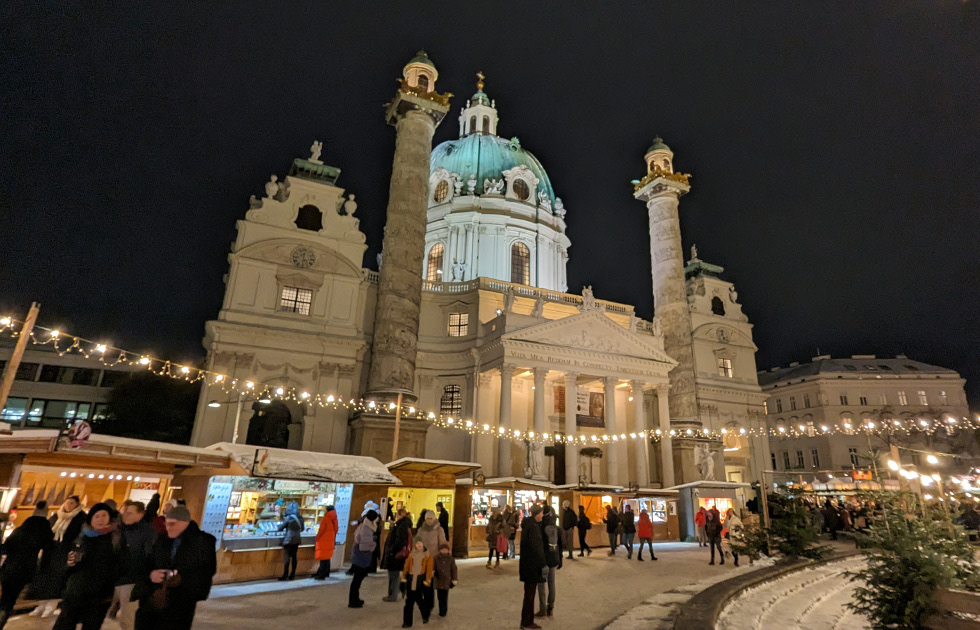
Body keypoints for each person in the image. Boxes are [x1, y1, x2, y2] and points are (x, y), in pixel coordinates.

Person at [132, 505, 217, 630]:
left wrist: (180, 579)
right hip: (153, 596)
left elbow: (207, 570)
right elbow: (148, 563)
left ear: (185, 523)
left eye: (173, 524)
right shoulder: (162, 538)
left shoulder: (203, 541)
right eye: (166, 523)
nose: (168, 527)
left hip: (180, 600)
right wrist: (152, 574)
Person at [52, 503, 121, 630]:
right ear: (91, 518)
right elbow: (70, 561)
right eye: (97, 516)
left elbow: (119, 562)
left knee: (91, 625)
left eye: (104, 515)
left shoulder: (116, 537)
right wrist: (70, 563)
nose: (100, 519)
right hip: (76, 590)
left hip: (101, 593)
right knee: (64, 624)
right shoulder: (82, 535)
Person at [29, 495, 86, 618]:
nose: (68, 505)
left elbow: (80, 537)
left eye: (71, 503)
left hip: (66, 551)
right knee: (45, 578)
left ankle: (51, 606)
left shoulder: (81, 518)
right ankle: (41, 604)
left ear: (77, 505)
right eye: (67, 503)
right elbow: (47, 530)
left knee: (58, 579)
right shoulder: (56, 515)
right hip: (51, 550)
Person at [0, 506, 53, 628]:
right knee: (10, 601)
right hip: (25, 570)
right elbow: (48, 551)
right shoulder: (44, 531)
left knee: (5, 598)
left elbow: (6, 548)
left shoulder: (20, 530)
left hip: (8, 568)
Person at [114, 501, 157, 630]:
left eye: (130, 513)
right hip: (114, 578)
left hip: (132, 580)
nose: (126, 515)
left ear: (141, 514)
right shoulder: (118, 529)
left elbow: (149, 556)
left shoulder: (147, 531)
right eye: (124, 512)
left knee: (128, 618)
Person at [519, 505, 546, 630]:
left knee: (529, 594)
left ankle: (527, 620)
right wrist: (542, 563)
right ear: (536, 514)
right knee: (530, 595)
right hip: (532, 566)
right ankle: (527, 622)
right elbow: (537, 549)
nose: (542, 516)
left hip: (527, 565)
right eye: (541, 513)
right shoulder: (533, 528)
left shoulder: (528, 525)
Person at [415, 510, 446, 612]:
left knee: (435, 583)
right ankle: (428, 604)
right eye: (427, 518)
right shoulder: (421, 529)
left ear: (434, 518)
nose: (429, 521)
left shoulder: (439, 530)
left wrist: (442, 557)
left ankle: (439, 606)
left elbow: (442, 544)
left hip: (435, 559)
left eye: (431, 518)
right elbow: (417, 542)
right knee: (426, 583)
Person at [400, 536, 433, 628]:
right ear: (414, 545)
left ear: (423, 544)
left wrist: (427, 580)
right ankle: (407, 622)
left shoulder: (428, 556)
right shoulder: (411, 555)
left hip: (420, 579)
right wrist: (403, 577)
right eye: (417, 543)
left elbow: (429, 569)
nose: (419, 545)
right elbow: (406, 566)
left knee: (419, 600)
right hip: (411, 579)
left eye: (420, 543)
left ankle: (425, 614)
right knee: (409, 602)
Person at [348, 510, 378, 608]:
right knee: (357, 580)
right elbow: (364, 547)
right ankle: (353, 601)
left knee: (357, 580)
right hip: (361, 557)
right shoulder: (366, 528)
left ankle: (355, 598)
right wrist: (374, 545)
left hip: (359, 556)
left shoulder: (364, 525)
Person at [381, 507, 413, 601]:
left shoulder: (402, 525)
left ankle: (393, 595)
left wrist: (392, 550)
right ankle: (394, 593)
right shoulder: (403, 525)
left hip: (395, 554)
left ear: (399, 515)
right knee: (394, 574)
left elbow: (399, 540)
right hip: (395, 553)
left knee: (394, 575)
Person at [536, 505, 562, 619]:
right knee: (552, 583)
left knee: (541, 584)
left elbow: (539, 545)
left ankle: (542, 609)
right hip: (553, 558)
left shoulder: (541, 527)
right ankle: (550, 607)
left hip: (543, 559)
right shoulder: (556, 528)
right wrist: (560, 559)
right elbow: (560, 545)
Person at [277, 502, 304, 581]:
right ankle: (292, 574)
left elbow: (280, 528)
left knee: (287, 557)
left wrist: (279, 525)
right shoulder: (300, 518)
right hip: (297, 539)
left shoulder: (288, 518)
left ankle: (285, 575)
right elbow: (302, 529)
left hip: (288, 539)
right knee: (294, 557)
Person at [432, 541, 457, 618]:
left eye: (445, 549)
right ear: (440, 550)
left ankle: (444, 611)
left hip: (447, 580)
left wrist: (454, 579)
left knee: (445, 596)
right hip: (438, 580)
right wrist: (433, 573)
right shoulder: (436, 558)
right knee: (439, 596)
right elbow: (433, 567)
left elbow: (454, 569)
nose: (444, 551)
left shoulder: (451, 559)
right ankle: (441, 609)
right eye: (442, 549)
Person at [313, 505, 338, 580]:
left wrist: (317, 538)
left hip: (323, 540)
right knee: (327, 557)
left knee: (323, 558)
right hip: (330, 540)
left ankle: (321, 575)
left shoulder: (326, 519)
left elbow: (321, 530)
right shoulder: (334, 518)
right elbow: (336, 530)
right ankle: (326, 573)